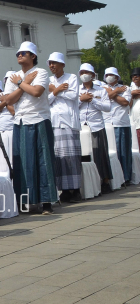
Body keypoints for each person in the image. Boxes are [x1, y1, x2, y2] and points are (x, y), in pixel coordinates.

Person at [2, 42, 58, 214]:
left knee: (43, 161)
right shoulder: (14, 76)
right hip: (20, 121)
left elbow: (37, 92)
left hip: (39, 119)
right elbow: (8, 100)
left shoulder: (40, 72)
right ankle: (25, 201)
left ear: (33, 56)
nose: (19, 55)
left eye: (23, 53)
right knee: (23, 163)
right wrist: (23, 83)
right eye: (18, 53)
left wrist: (20, 83)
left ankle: (46, 202)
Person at [47, 53, 82, 202]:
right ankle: (65, 190)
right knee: (59, 158)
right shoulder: (48, 81)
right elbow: (46, 100)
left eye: (55, 63)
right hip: (55, 122)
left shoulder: (72, 77)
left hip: (69, 122)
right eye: (50, 63)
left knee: (71, 158)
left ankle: (76, 190)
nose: (52, 66)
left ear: (62, 64)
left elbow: (73, 96)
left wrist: (56, 91)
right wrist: (56, 90)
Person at [78, 64, 113, 192]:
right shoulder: (77, 90)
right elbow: (72, 106)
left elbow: (107, 107)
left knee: (100, 154)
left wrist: (92, 100)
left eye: (86, 72)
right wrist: (82, 99)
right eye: (82, 72)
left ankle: (105, 181)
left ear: (93, 75)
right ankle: (89, 183)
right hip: (82, 126)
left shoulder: (101, 90)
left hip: (96, 126)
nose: (84, 75)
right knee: (85, 155)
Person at [103, 67, 132, 186]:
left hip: (121, 123)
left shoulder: (126, 88)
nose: (109, 76)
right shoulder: (102, 88)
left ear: (116, 77)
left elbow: (125, 102)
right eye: (107, 75)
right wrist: (116, 92)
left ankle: (125, 177)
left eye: (111, 74)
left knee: (123, 152)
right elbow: (104, 98)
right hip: (107, 123)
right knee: (111, 152)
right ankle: (113, 178)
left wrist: (112, 93)